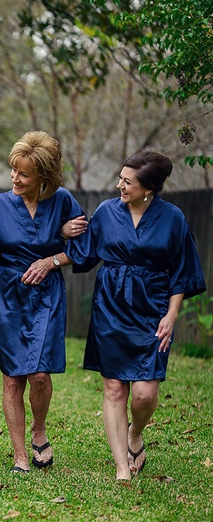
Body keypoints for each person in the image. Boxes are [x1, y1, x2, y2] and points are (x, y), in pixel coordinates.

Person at [67, 151, 206, 481]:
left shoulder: (173, 218)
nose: (120, 185)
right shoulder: (106, 212)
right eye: (121, 178)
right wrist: (64, 232)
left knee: (145, 395)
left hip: (152, 310)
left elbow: (183, 271)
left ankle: (135, 433)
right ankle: (121, 468)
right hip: (111, 307)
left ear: (149, 188)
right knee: (115, 389)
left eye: (128, 182)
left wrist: (171, 316)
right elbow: (84, 255)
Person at [0, 131, 88, 473]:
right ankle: (20, 454)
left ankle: (39, 430)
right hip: (8, 295)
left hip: (46, 294)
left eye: (24, 174)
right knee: (12, 378)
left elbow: (85, 248)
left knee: (39, 375)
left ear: (44, 177)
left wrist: (51, 260)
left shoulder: (64, 201)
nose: (15, 178)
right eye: (13, 170)